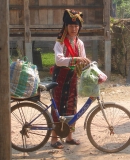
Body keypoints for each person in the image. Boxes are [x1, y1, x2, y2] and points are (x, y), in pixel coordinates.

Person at [50, 9, 91, 149]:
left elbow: (83, 60)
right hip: (60, 79)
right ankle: (54, 138)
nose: (74, 29)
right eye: (71, 26)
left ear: (79, 27)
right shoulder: (60, 42)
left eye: (76, 26)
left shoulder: (80, 43)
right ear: (66, 27)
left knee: (72, 106)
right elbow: (59, 60)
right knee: (59, 107)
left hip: (72, 78)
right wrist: (77, 59)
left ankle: (69, 137)